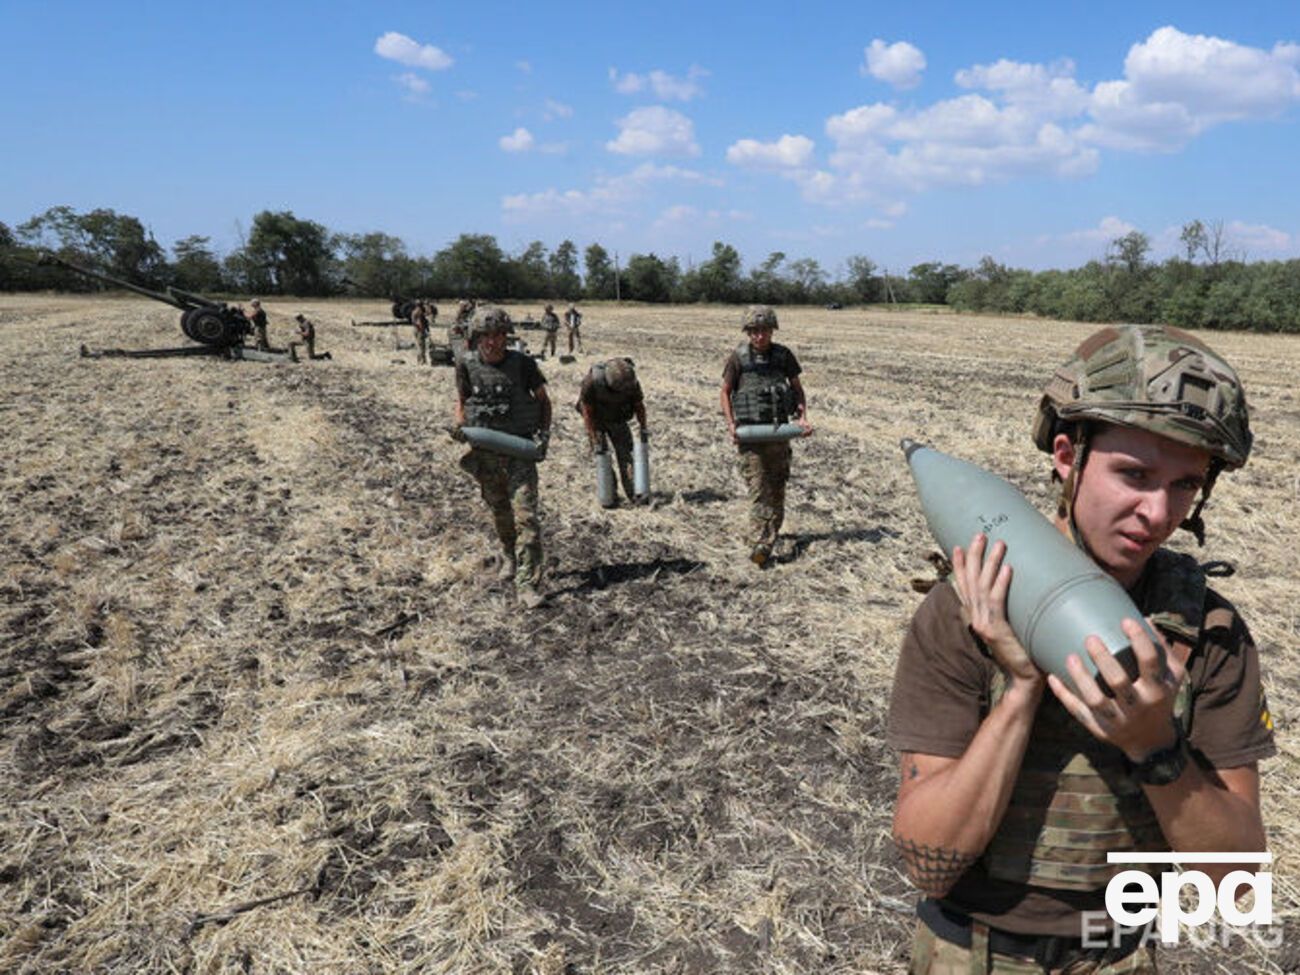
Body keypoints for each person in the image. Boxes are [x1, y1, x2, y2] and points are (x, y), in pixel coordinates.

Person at [888, 324, 1274, 973]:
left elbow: (1232, 886)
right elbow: (929, 863)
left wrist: (1155, 747)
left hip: (1116, 948)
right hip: (968, 950)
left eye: (1185, 484)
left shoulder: (1207, 632)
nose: (1157, 512)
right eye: (1134, 473)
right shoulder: (963, 613)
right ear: (1068, 454)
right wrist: (1021, 688)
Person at [453, 307, 552, 609]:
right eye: (486, 336)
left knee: (527, 519)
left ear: (506, 336)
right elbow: (461, 400)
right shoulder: (465, 365)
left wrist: (543, 436)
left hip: (519, 453)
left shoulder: (523, 365)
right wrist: (460, 425)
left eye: (498, 335)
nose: (493, 342)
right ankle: (509, 555)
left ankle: (527, 584)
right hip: (485, 455)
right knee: (500, 513)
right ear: (475, 337)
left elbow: (544, 402)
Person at [719, 305, 811, 567]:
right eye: (754, 331)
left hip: (778, 434)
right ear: (748, 333)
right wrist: (730, 423)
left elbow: (797, 390)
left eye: (764, 331)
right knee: (759, 489)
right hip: (751, 438)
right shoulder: (738, 358)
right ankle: (762, 543)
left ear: (772, 331)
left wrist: (802, 418)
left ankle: (769, 534)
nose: (759, 336)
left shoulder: (784, 356)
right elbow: (725, 392)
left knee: (777, 488)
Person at [578, 357, 648, 505]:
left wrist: (643, 428)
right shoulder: (591, 383)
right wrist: (593, 435)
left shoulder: (631, 383)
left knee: (627, 455)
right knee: (602, 456)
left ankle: (635, 492)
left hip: (618, 418)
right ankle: (609, 495)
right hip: (596, 419)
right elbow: (587, 411)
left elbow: (639, 405)